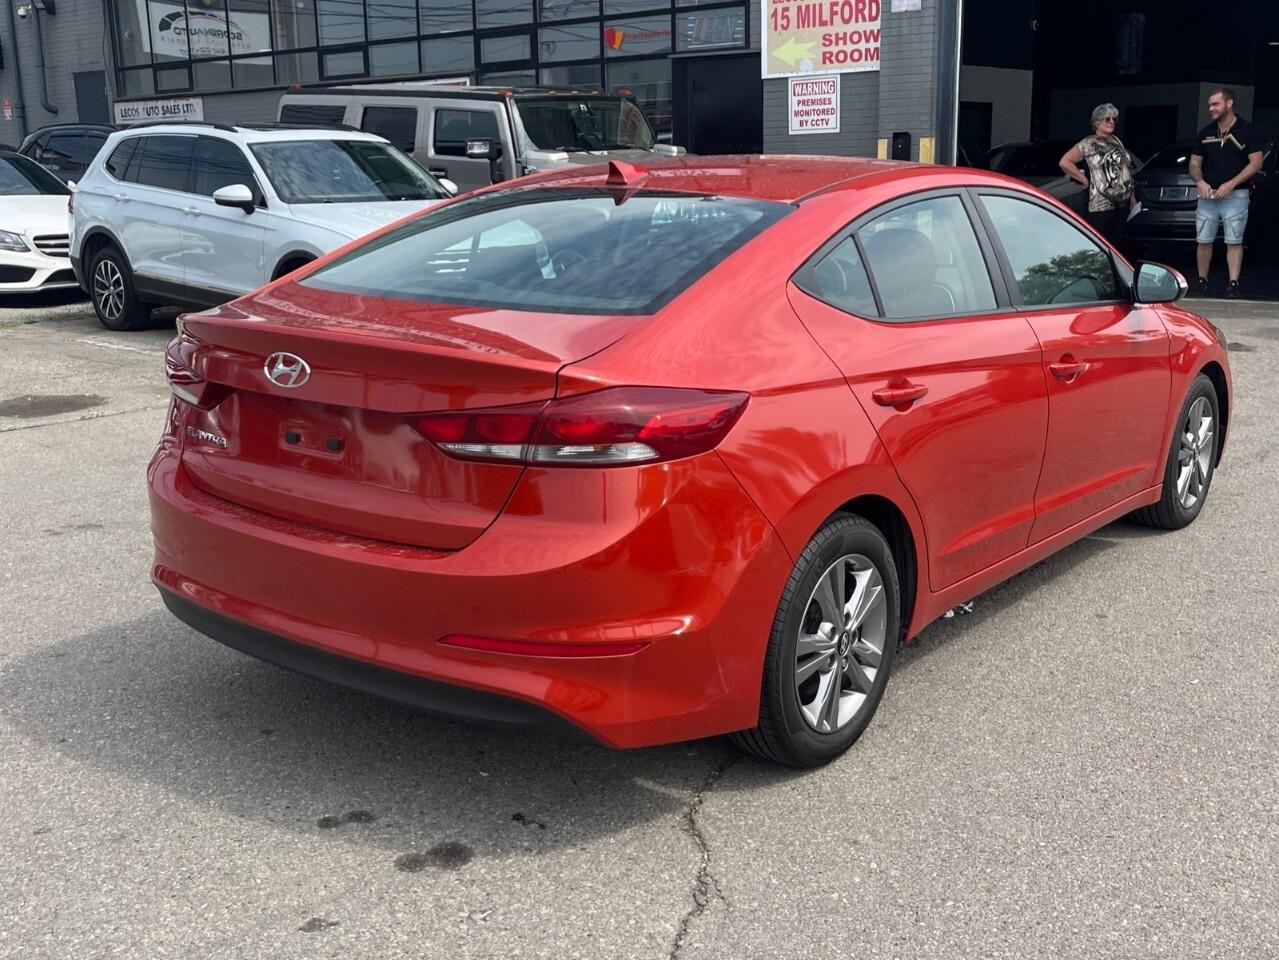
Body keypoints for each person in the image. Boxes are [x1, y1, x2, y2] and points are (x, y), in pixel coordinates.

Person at [1189, 87, 1265, 298]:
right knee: (1203, 239)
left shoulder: (1248, 130)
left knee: (1234, 240)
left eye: (1215, 104)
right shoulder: (1206, 132)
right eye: (1210, 104)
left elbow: (1256, 163)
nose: (1210, 108)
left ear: (1229, 103)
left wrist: (1231, 184)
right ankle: (1202, 281)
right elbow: (1194, 162)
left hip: (1236, 195)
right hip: (1208, 195)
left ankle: (1234, 283)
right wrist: (1200, 181)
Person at [1059, 103, 1135, 248]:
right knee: (1102, 243)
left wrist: (1132, 197)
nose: (1112, 122)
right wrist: (1084, 180)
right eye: (1107, 119)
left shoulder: (1116, 141)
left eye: (1114, 119)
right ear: (1097, 122)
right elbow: (1065, 162)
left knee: (1118, 244)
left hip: (1121, 205)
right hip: (1100, 206)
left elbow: (1124, 169)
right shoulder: (1089, 143)